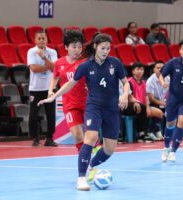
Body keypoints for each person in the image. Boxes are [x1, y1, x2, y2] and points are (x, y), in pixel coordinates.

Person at [38, 33, 129, 191]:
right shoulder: (86, 65)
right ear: (95, 47)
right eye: (102, 48)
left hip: (112, 109)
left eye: (108, 48)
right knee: (90, 137)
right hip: (93, 107)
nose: (105, 51)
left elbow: (125, 82)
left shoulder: (115, 63)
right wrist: (53, 97)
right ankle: (81, 178)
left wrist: (125, 95)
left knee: (109, 149)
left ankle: (90, 165)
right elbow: (69, 84)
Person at [49, 30, 87, 151]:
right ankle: (85, 163)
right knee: (77, 135)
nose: (77, 50)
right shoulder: (59, 63)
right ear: (66, 47)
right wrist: (51, 90)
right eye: (74, 47)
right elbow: (55, 77)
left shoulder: (85, 62)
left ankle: (94, 156)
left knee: (91, 135)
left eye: (80, 47)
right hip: (70, 105)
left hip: (88, 103)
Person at [27, 30, 58, 147]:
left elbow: (55, 68)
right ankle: (35, 138)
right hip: (35, 88)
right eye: (39, 38)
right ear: (35, 40)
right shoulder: (31, 51)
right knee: (33, 114)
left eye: (43, 38)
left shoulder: (52, 52)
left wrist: (44, 58)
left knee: (51, 114)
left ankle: (49, 138)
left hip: (49, 88)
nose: (41, 40)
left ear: (46, 40)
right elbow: (34, 68)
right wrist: (48, 67)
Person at [128, 62, 164, 141]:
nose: (140, 71)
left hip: (143, 106)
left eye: (141, 69)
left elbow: (146, 96)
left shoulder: (144, 82)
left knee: (160, 113)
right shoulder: (129, 81)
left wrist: (147, 107)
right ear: (133, 71)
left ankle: (150, 131)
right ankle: (141, 134)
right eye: (137, 69)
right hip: (134, 105)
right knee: (142, 109)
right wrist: (137, 103)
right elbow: (129, 96)